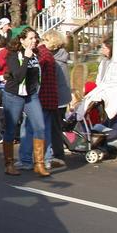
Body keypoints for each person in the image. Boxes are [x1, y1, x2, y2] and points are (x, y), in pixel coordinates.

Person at [1, 27, 50, 177]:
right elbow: (18, 76)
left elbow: (37, 76)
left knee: (40, 126)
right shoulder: (13, 55)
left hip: (31, 95)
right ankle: (9, 164)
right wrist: (27, 57)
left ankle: (39, 164)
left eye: (35, 38)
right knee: (10, 129)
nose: (33, 41)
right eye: (30, 38)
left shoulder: (35, 55)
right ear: (21, 40)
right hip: (14, 95)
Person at [43, 29, 73, 165]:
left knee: (55, 127)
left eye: (46, 40)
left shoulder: (56, 60)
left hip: (58, 97)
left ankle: (58, 154)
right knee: (55, 126)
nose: (43, 43)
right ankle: (57, 151)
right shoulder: (60, 56)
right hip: (61, 96)